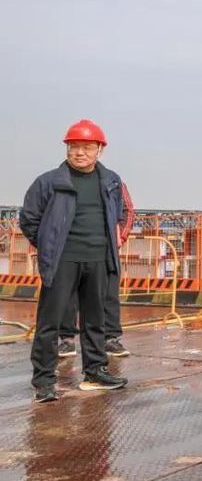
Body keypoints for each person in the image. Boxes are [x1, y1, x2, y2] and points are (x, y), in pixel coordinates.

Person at [19, 120, 129, 402]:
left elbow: (119, 213)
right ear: (67, 148)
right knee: (50, 322)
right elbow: (29, 219)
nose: (80, 152)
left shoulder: (111, 180)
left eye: (87, 147)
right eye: (74, 147)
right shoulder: (49, 182)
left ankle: (95, 371)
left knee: (95, 321)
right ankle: (44, 381)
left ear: (100, 150)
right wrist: (49, 246)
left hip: (99, 260)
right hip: (63, 261)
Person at [58, 180, 134, 358]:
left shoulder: (113, 182)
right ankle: (67, 340)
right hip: (72, 247)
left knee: (108, 294)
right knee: (68, 294)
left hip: (105, 249)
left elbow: (128, 210)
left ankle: (110, 339)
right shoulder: (63, 181)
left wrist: (120, 237)